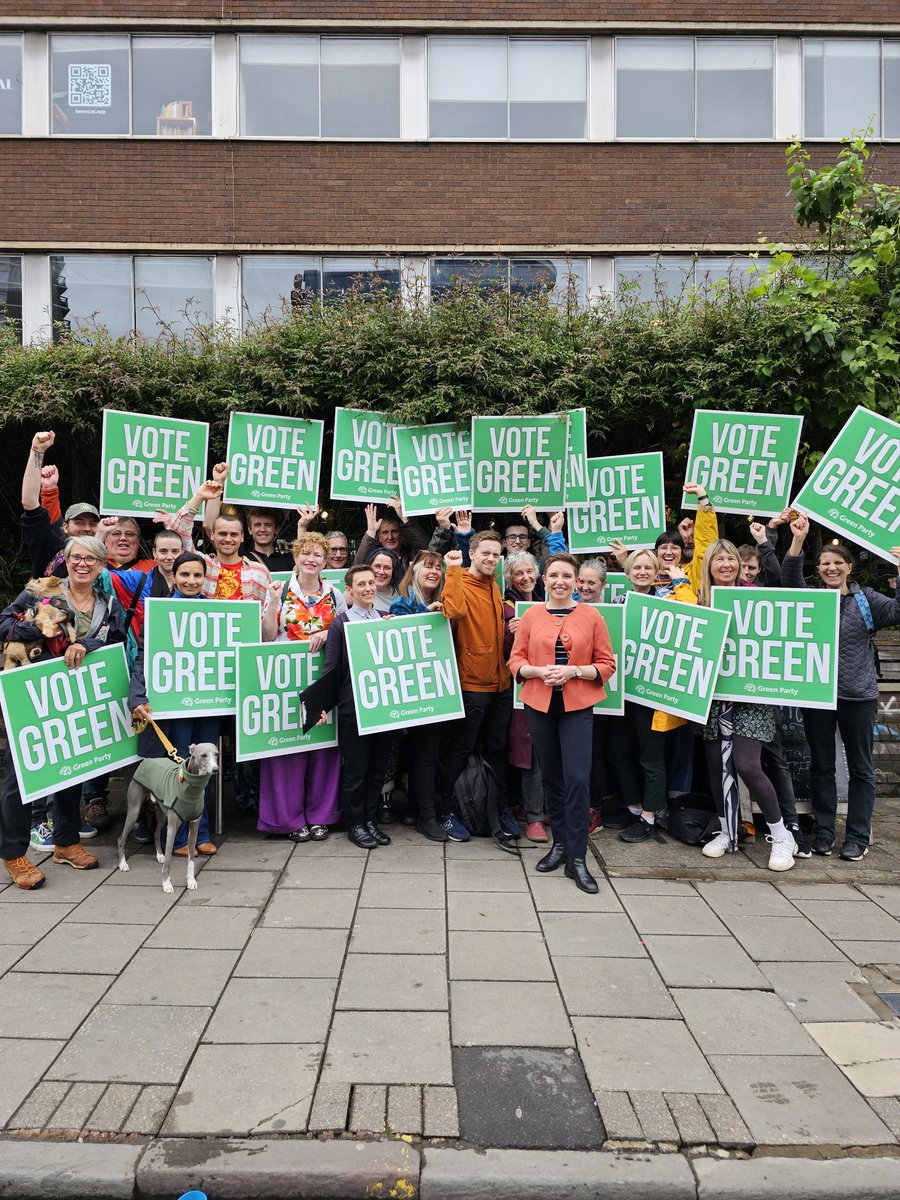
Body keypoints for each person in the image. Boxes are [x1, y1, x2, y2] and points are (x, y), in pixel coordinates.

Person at [0, 536, 126, 889]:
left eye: (91, 559)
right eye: (76, 558)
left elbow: (115, 641)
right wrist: (40, 627)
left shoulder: (107, 602)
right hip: (33, 696)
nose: (82, 564)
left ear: (102, 565)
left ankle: (66, 842)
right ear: (66, 561)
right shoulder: (40, 592)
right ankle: (13, 853)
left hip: (79, 699)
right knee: (20, 776)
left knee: (72, 768)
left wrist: (85, 643)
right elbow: (3, 624)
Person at [783, 515, 900, 860]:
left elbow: (898, 611)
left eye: (837, 563)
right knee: (821, 766)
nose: (831, 568)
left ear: (849, 567)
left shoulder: (868, 600)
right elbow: (790, 580)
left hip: (858, 697)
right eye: (824, 564)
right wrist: (798, 540)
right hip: (819, 696)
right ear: (818, 569)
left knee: (861, 768)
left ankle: (857, 838)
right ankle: (823, 833)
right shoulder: (814, 600)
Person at [163, 478, 273, 816]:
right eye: (221, 533)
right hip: (204, 667)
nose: (227, 539)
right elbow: (177, 531)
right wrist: (199, 497)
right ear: (213, 536)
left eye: (234, 534)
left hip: (242, 665)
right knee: (206, 738)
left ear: (243, 537)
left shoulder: (258, 572)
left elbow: (268, 621)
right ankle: (195, 809)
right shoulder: (203, 566)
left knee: (246, 734)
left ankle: (247, 798)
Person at [508, 552, 616, 893]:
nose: (560, 581)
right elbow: (516, 661)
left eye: (567, 576)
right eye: (553, 575)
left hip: (577, 707)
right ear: (545, 579)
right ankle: (558, 846)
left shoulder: (592, 616)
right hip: (539, 705)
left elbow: (606, 664)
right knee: (551, 777)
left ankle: (578, 858)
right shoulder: (531, 616)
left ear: (575, 581)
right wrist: (539, 672)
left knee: (577, 779)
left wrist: (573, 671)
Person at [697, 540, 798, 871]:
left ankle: (782, 836)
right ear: (709, 565)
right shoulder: (700, 602)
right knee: (716, 765)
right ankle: (727, 830)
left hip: (750, 695)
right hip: (713, 695)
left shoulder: (757, 598)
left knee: (747, 765)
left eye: (731, 559)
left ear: (739, 565)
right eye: (719, 559)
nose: (725, 564)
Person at [129, 552, 220, 856]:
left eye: (197, 575)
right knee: (182, 769)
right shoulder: (160, 610)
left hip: (208, 703)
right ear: (174, 575)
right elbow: (142, 656)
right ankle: (179, 838)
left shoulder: (217, 611)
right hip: (175, 705)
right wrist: (138, 696)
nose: (191, 581)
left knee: (206, 768)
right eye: (185, 575)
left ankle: (201, 832)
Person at [258, 532, 344, 841]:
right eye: (305, 553)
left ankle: (321, 815)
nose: (311, 559)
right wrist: (270, 604)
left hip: (322, 678)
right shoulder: (280, 592)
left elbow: (346, 631)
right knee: (286, 750)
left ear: (324, 561)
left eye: (317, 555)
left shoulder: (335, 594)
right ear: (295, 557)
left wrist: (327, 633)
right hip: (285, 680)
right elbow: (267, 636)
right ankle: (287, 819)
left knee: (323, 748)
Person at [607, 548, 696, 844]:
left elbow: (693, 616)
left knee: (651, 757)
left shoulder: (670, 600)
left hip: (654, 694)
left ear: (656, 571)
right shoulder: (619, 602)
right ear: (628, 572)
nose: (642, 572)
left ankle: (650, 816)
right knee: (619, 751)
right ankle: (635, 807)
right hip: (624, 692)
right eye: (637, 567)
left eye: (648, 567)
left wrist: (681, 583)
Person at [441, 530, 521, 849]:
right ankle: (448, 811)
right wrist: (452, 569)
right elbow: (454, 611)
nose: (490, 558)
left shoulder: (495, 585)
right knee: (459, 752)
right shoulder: (459, 578)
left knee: (497, 752)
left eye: (495, 554)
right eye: (485, 553)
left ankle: (500, 809)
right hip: (472, 684)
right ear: (471, 553)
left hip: (501, 683)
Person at [322, 565, 396, 849]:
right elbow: (331, 669)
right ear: (349, 591)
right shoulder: (340, 624)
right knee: (357, 769)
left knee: (378, 769)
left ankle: (370, 819)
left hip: (383, 707)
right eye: (361, 584)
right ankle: (355, 824)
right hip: (354, 709)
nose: (368, 588)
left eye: (371, 583)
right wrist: (324, 707)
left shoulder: (385, 619)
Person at [389, 551, 450, 841]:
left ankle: (416, 809)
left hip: (437, 685)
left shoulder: (445, 601)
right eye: (428, 566)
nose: (435, 571)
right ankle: (427, 817)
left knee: (426, 752)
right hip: (413, 690)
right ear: (414, 571)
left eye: (439, 567)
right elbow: (401, 637)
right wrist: (427, 616)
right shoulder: (403, 603)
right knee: (424, 753)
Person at [502, 552, 546, 842]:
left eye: (530, 571)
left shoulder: (549, 601)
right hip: (521, 690)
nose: (525, 578)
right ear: (510, 578)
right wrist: (510, 633)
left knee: (549, 750)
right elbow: (504, 654)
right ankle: (533, 816)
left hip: (554, 686)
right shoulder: (507, 608)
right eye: (519, 573)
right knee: (529, 753)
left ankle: (545, 809)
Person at [19, 431, 100, 577]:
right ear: (65, 527)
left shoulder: (104, 558)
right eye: (80, 522)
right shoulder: (51, 550)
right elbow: (30, 502)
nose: (87, 528)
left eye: (93, 523)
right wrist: (37, 451)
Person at [574, 557, 617, 834]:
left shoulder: (612, 614)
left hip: (603, 695)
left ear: (603, 584)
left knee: (595, 755)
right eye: (582, 581)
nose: (585, 587)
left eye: (592, 582)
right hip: (570, 695)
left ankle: (594, 811)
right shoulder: (565, 608)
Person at [354, 500, 428, 571]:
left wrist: (404, 518)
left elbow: (425, 547)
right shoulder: (373, 557)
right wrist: (371, 532)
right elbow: (358, 567)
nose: (390, 537)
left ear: (401, 534)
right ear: (379, 537)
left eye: (394, 531)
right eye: (385, 532)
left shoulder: (411, 554)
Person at [366, 547, 403, 614]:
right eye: (377, 566)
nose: (381, 572)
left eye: (387, 568)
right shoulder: (356, 593)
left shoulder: (403, 596)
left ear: (393, 572)